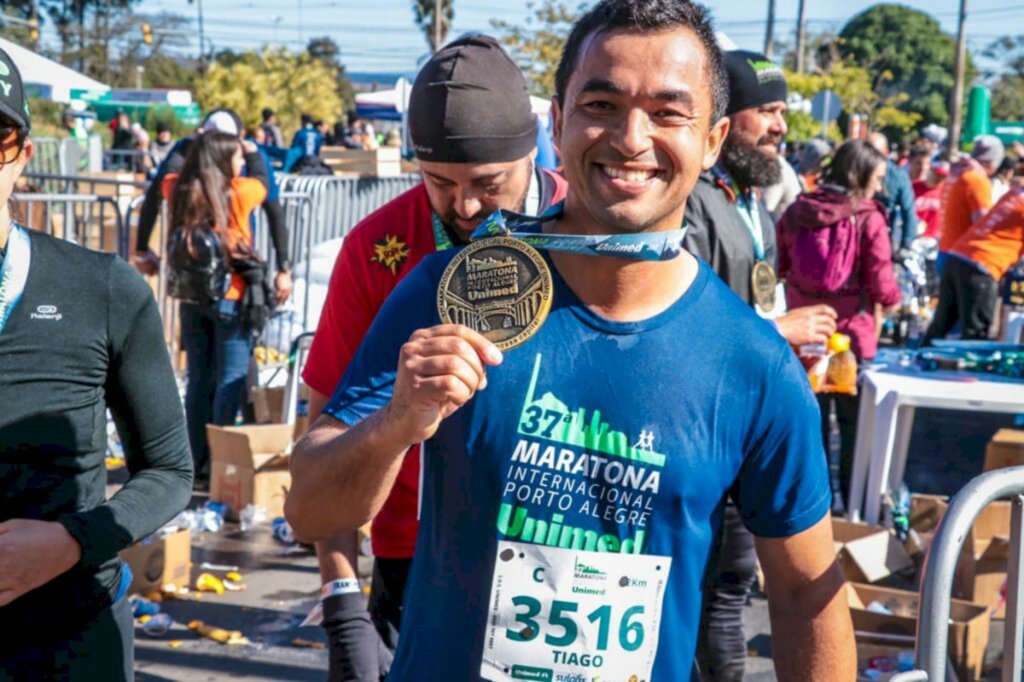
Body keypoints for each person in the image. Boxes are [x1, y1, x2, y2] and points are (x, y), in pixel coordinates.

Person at [287, 3, 855, 681]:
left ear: (713, 139)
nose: (631, 138)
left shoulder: (753, 363)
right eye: (602, 103)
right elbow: (308, 509)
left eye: (669, 112)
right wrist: (393, 424)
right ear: (557, 122)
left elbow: (804, 594)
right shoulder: (448, 293)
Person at [301, 34, 568, 681]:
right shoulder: (376, 249)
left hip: (556, 553)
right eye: (439, 183)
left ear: (534, 147)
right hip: (413, 559)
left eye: (488, 184)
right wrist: (342, 600)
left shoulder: (583, 228)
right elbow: (318, 440)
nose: (467, 207)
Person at [0, 47, 192, 678]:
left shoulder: (101, 289)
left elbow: (168, 471)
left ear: (23, 156)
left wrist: (70, 544)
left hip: (72, 641)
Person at [683, 49, 840, 681]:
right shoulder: (692, 199)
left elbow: (753, 296)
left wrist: (791, 348)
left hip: (749, 434)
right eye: (766, 111)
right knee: (711, 602)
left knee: (733, 588)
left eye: (781, 112)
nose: (780, 126)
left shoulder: (750, 198)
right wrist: (780, 330)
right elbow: (679, 322)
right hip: (702, 435)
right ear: (723, 120)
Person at [776, 139, 900, 509]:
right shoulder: (868, 217)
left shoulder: (797, 209)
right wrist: (893, 303)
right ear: (860, 175)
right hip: (851, 340)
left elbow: (779, 266)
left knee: (806, 429)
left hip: (803, 335)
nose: (879, 185)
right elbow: (882, 283)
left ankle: (808, 509)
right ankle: (851, 510)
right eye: (877, 178)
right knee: (852, 432)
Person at [133, 109, 293, 312]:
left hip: (200, 279)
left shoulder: (179, 181)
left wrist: (141, 250)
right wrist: (283, 267)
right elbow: (266, 193)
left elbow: (161, 185)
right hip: (222, 284)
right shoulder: (242, 189)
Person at [924, 182, 1024, 345]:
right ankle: (967, 370)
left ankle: (921, 360)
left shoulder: (1016, 192)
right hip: (982, 266)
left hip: (958, 256)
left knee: (941, 326)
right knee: (975, 335)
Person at [938, 134, 1005, 273]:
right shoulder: (977, 180)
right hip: (963, 259)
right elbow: (982, 223)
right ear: (993, 161)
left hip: (946, 250)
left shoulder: (957, 173)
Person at [868, 132, 919, 256]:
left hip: (881, 240)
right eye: (867, 152)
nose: (870, 157)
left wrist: (905, 246)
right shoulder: (854, 171)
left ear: (886, 152)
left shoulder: (898, 176)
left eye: (876, 153)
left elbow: (909, 212)